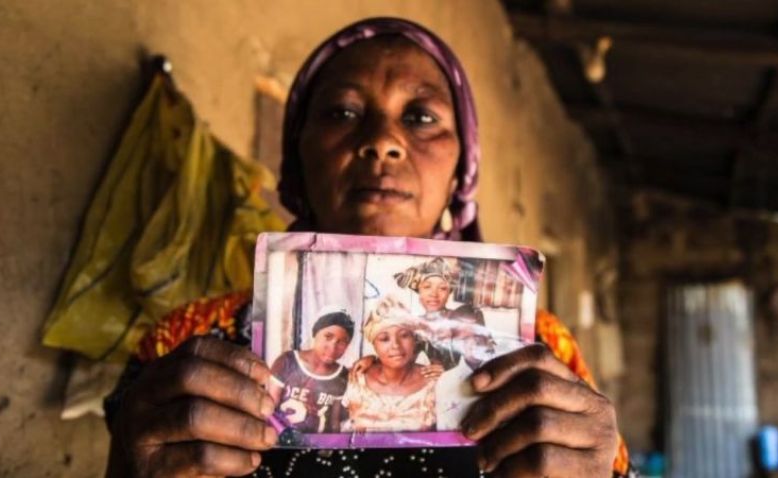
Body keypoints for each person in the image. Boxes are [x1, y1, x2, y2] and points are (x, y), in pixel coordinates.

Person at [104, 17, 634, 478]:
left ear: (461, 170)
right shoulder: (183, 342)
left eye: (421, 116)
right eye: (341, 112)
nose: (382, 141)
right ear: (298, 157)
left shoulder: (538, 348)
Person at [342, 297, 436, 432]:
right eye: (384, 339)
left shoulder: (434, 383)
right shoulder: (358, 380)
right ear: (374, 344)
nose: (396, 345)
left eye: (404, 335)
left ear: (414, 339)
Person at [268, 306, 354, 434]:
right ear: (315, 333)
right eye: (328, 337)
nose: (333, 347)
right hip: (284, 439)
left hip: (320, 442)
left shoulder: (343, 375)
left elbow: (334, 423)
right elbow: (269, 409)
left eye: (342, 342)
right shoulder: (287, 361)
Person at [435, 305, 497, 430]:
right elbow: (443, 427)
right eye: (464, 338)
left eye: (477, 335)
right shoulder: (445, 381)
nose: (472, 343)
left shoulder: (502, 370)